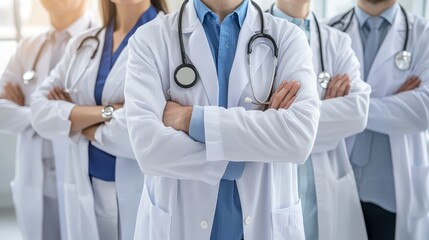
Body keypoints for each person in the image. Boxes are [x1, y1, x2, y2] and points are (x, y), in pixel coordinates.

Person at [125, 0, 321, 239]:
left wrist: (190, 119)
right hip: (178, 226)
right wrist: (243, 154)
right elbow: (148, 147)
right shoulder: (150, 40)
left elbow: (298, 138)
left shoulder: (288, 38)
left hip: (263, 226)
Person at [30, 0, 166, 239]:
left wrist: (74, 121)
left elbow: (139, 133)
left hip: (142, 188)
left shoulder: (168, 40)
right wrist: (109, 112)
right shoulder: (84, 43)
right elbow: (39, 112)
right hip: (85, 186)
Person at [269, 1, 371, 240]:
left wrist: (276, 116)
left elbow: (358, 112)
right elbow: (242, 114)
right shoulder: (252, 34)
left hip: (322, 190)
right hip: (271, 181)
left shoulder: (336, 41)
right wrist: (325, 109)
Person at [328, 0, 429, 239]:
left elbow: (423, 110)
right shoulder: (328, 32)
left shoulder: (423, 34)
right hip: (339, 186)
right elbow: (313, 110)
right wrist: (395, 102)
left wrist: (343, 106)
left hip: (394, 196)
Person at [0, 0, 94, 239]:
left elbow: (106, 114)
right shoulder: (28, 48)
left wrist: (30, 109)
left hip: (83, 178)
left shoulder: (101, 42)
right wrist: (65, 115)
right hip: (34, 182)